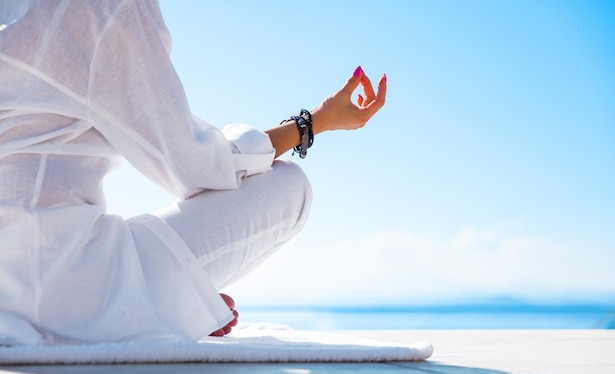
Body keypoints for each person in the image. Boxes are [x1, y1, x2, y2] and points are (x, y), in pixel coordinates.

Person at [0, 0, 386, 346]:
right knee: (289, 186)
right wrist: (313, 123)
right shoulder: (103, 8)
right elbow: (198, 168)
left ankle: (171, 302)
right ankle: (158, 308)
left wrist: (184, 295)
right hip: (68, 295)